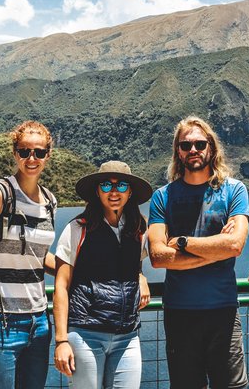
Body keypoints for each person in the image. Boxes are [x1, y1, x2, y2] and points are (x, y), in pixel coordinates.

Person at [147, 115, 249, 389]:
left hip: (223, 311)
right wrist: (217, 249)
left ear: (211, 147)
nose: (193, 150)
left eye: (200, 144)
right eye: (186, 145)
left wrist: (181, 242)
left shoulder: (234, 191)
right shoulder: (163, 197)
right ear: (178, 151)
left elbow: (235, 245)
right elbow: (157, 256)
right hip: (179, 313)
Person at [0, 121, 59, 389]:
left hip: (39, 321)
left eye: (39, 152)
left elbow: (38, 255)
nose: (32, 158)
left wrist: (78, 270)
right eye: (24, 151)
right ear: (15, 153)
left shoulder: (49, 201)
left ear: (48, 154)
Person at [53, 161, 153, 389]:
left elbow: (132, 263)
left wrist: (141, 276)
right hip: (86, 333)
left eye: (121, 186)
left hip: (127, 335)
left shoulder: (138, 229)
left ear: (130, 192)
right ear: (97, 192)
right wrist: (61, 340)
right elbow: (61, 286)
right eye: (106, 186)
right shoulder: (78, 228)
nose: (114, 192)